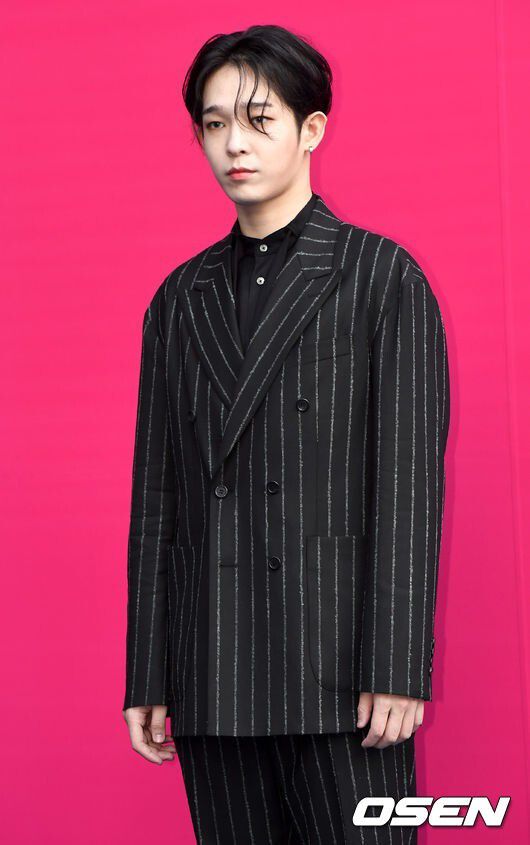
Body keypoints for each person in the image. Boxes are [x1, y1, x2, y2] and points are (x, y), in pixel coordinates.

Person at [122, 24, 450, 844]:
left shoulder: (382, 276)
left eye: (259, 119)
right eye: (214, 123)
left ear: (312, 129)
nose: (234, 143)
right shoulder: (179, 299)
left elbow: (409, 485)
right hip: (213, 661)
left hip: (340, 667)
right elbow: (157, 496)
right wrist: (149, 670)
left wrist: (398, 664)